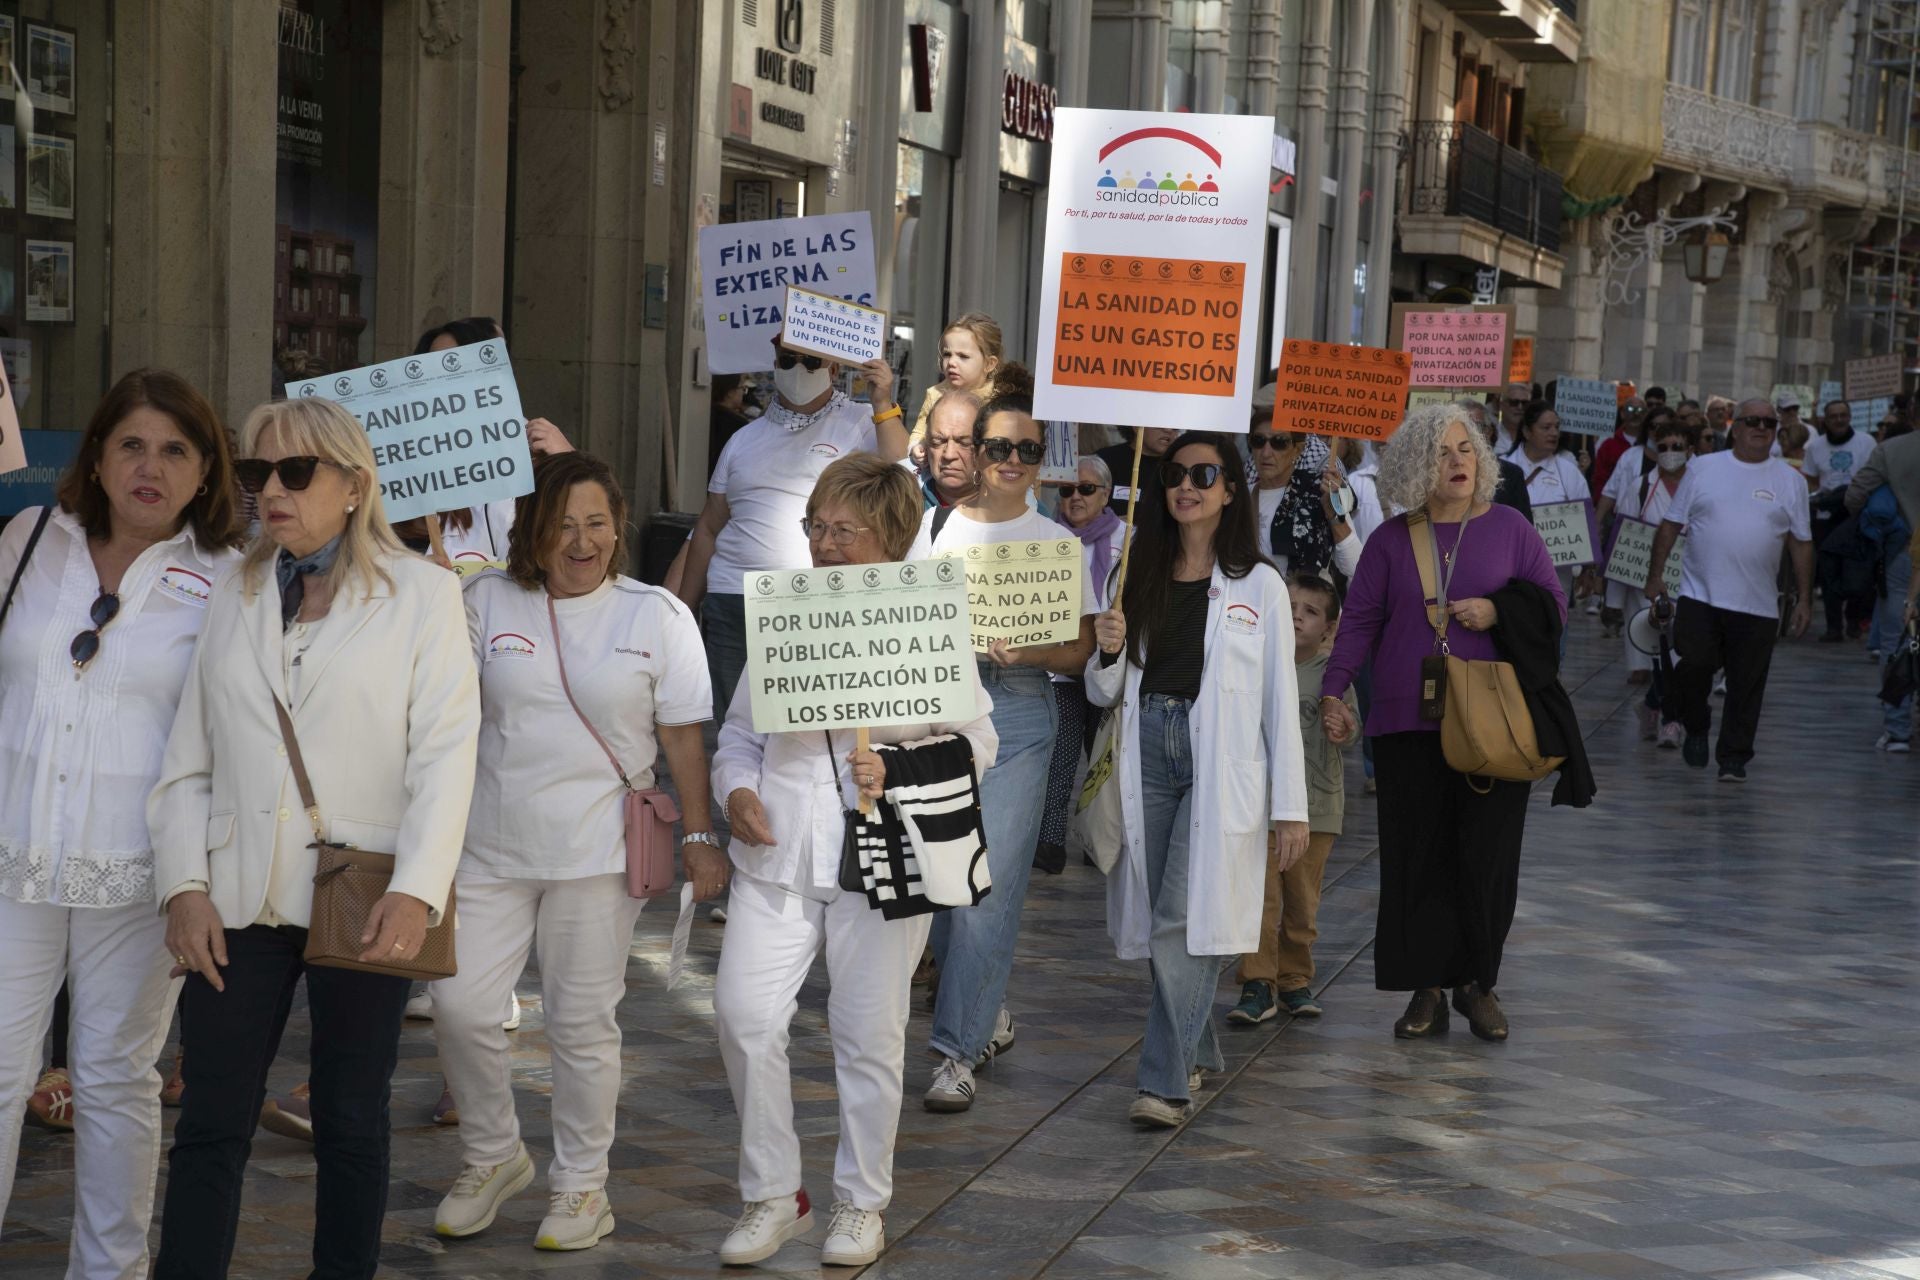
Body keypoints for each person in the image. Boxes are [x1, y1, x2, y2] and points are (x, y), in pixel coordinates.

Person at [149, 395, 480, 1280]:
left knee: (350, 1118)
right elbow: (188, 759)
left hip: (365, 893)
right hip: (237, 895)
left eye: (296, 472)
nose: (272, 491)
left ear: (355, 484)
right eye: (258, 473)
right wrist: (183, 886)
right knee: (210, 1119)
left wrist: (417, 890)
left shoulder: (425, 595)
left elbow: (446, 758)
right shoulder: (236, 590)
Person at [710, 454, 999, 1268]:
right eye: (817, 527)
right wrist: (737, 790)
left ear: (891, 538)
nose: (825, 544)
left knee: (868, 1036)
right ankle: (774, 1194)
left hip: (886, 861)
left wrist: (895, 767)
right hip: (779, 855)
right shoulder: (786, 613)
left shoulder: (927, 621)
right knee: (743, 1015)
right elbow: (739, 735)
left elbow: (979, 742)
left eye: (845, 530)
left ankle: (861, 1203)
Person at [430, 452, 723, 1251]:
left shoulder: (657, 615)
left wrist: (700, 837)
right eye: (563, 526)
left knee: (581, 1023)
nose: (581, 541)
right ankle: (493, 1155)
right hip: (488, 845)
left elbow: (682, 739)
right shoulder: (485, 599)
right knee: (459, 1006)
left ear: (618, 529)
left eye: (597, 524)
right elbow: (441, 705)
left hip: (599, 853)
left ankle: (582, 1186)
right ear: (532, 530)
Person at [0, 370, 245, 1279]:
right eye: (132, 445)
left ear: (206, 470)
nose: (152, 467)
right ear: (97, 457)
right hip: (13, 850)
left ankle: (110, 1271)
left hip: (143, 870)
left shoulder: (230, 577)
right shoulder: (28, 539)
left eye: (176, 450)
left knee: (113, 1079)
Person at [1320, 404, 1569, 1043]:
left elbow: (1554, 607)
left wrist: (1498, 610)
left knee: (1487, 856)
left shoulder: (1511, 528)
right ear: (1413, 465)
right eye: (1440, 452)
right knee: (1416, 856)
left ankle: (1477, 983)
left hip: (1491, 722)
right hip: (1407, 721)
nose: (1456, 462)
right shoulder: (1390, 539)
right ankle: (1426, 987)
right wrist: (1333, 690)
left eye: (1465, 449)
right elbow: (1359, 621)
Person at [1086, 431, 1307, 1126]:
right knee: (1168, 916)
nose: (1187, 486)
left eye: (1204, 475)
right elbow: (1103, 692)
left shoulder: (1260, 585)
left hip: (1221, 763)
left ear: (1230, 490)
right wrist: (1107, 650)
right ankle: (1199, 1047)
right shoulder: (1134, 572)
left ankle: (1164, 1082)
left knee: (1183, 917)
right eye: (1176, 475)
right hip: (1148, 748)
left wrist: (1291, 808)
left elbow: (1279, 703)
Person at [912, 384, 1097, 1113]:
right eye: (999, 446)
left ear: (1042, 458)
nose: (1013, 459)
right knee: (942, 886)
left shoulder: (1058, 544)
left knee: (986, 891)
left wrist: (1029, 654)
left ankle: (955, 1052)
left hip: (1020, 713)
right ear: (977, 451)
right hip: (942, 709)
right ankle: (983, 1011)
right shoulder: (935, 529)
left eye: (1028, 448)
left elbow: (1078, 651)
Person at [678, 335, 905, 721]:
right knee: (736, 728)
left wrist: (882, 402)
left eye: (811, 362)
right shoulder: (743, 438)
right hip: (733, 601)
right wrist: (683, 613)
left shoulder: (859, 421)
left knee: (802, 726)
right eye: (787, 360)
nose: (798, 370)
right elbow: (709, 528)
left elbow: (900, 465)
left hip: (811, 604)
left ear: (834, 369)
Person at [1644, 397, 1813, 782]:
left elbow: (1801, 543)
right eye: (1753, 421)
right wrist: (1655, 576)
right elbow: (1671, 524)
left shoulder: (1791, 481)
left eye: (1769, 423)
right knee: (1693, 665)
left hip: (1758, 603)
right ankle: (1696, 725)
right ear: (1735, 428)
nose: (1761, 428)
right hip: (1700, 595)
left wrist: (1804, 599)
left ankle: (1734, 757)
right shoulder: (1702, 468)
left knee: (1746, 685)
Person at [1227, 573, 1353, 1026]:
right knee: (1260, 901)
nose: (1297, 618)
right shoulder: (1256, 663)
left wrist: (1342, 726)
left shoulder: (1333, 675)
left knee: (1302, 902)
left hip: (1316, 811)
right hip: (1260, 807)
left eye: (1310, 612)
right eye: (1291, 608)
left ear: (1330, 629)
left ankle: (1295, 977)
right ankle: (1258, 982)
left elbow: (1350, 725)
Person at [1035, 455, 1125, 873]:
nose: (1076, 497)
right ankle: (1049, 842)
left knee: (1104, 760)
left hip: (1107, 665)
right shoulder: (1046, 537)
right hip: (1064, 666)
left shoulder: (1128, 538)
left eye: (1087, 489)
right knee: (1061, 757)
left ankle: (1097, 839)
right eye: (1067, 489)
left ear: (1105, 495)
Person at [1593, 416, 1697, 742]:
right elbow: (1622, 542)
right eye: (1662, 447)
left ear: (1690, 449)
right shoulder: (1639, 488)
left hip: (1693, 584)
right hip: (1647, 588)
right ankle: (1671, 721)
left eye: (1677, 446)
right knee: (1661, 654)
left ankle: (1651, 704)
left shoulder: (1704, 487)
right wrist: (1612, 598)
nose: (1670, 452)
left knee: (1687, 656)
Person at [1846, 412, 1920, 750]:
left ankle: (1897, 728)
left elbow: (1854, 495)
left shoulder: (1891, 450)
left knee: (1896, 639)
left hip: (1902, 553)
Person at [1250, 416, 1360, 579]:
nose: (1266, 453)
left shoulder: (1319, 492)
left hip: (1307, 594)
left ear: (1298, 450)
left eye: (1279, 442)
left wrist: (1334, 515)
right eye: (1258, 441)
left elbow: (1355, 566)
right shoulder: (1240, 497)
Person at [1508, 402, 1591, 602]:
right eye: (1546, 427)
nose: (1554, 433)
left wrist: (1588, 568)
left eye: (1556, 427)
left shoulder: (1570, 472)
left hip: (1555, 576)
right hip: (1510, 569)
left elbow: (1586, 523)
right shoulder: (1503, 468)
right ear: (1527, 432)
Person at [1806, 400, 1875, 641]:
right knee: (1828, 571)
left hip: (1856, 513)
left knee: (1857, 569)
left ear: (1850, 417)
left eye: (1843, 415)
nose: (1839, 420)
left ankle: (1853, 619)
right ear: (1825, 420)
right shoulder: (1815, 447)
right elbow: (1811, 480)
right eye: (1833, 416)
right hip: (1826, 516)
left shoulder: (1867, 442)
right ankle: (1833, 626)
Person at [907, 313, 1006, 460]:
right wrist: (917, 447)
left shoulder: (999, 398)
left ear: (989, 364)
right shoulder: (935, 394)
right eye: (947, 354)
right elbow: (920, 432)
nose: (952, 362)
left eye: (963, 356)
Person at [1457, 399, 1532, 520]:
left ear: (1489, 432)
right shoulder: (1439, 471)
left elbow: (1523, 527)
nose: (1470, 434)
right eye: (1462, 427)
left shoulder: (1511, 474)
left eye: (1477, 427)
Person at [1097, 427, 1180, 519]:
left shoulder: (1181, 464)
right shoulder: (1103, 460)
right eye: (1158, 423)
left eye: (1175, 426)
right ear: (1136, 427)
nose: (1168, 430)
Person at [918, 389, 982, 510]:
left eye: (964, 443)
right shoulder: (901, 503)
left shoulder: (1009, 510)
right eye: (938, 441)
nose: (949, 455)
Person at [1590, 394, 1647, 500]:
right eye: (1630, 409)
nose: (1635, 414)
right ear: (1622, 414)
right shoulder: (1608, 445)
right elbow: (1600, 479)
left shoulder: (1650, 445)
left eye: (1640, 410)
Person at [709, 372, 754, 473]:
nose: (743, 393)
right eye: (742, 388)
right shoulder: (738, 423)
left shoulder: (705, 415)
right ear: (730, 392)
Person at [1496, 380, 1531, 454]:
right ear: (1501, 405)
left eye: (1524, 403)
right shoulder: (1491, 434)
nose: (1520, 407)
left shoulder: (1534, 437)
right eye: (1514, 402)